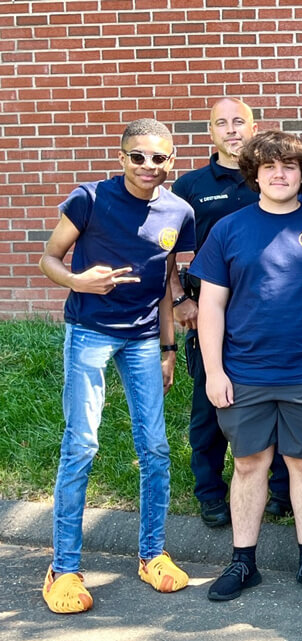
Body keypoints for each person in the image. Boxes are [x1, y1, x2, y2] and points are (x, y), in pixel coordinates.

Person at [193, 130, 302, 602]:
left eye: (289, 166)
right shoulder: (228, 229)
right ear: (255, 174)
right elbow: (211, 305)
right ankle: (242, 561)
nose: (280, 174)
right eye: (269, 167)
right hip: (244, 371)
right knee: (249, 465)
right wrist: (214, 370)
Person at [38, 118, 195, 613]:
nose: (149, 166)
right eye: (139, 156)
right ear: (122, 157)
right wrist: (79, 282)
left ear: (172, 160)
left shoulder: (179, 211)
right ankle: (63, 569)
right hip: (90, 333)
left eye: (160, 157)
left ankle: (152, 556)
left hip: (146, 340)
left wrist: (169, 350)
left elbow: (168, 278)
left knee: (154, 446)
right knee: (81, 442)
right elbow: (49, 257)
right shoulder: (89, 198)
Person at [171, 97, 292, 528]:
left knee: (277, 401)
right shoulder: (191, 186)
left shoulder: (272, 177)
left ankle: (281, 490)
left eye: (239, 121)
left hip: (273, 318)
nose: (232, 129)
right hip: (213, 313)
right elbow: (167, 251)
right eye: (221, 123)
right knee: (211, 404)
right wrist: (179, 299)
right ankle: (210, 492)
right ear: (211, 133)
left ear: (253, 126)